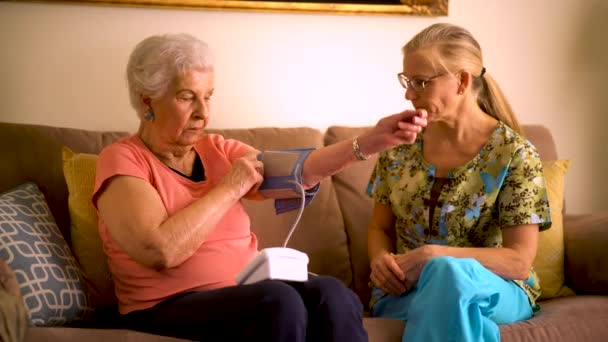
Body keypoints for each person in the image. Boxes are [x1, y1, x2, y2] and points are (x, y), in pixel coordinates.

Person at [92, 33, 427, 342]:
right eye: (186, 97)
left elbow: (298, 171)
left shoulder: (218, 149)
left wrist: (367, 143)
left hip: (243, 291)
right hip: (161, 307)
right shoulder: (122, 159)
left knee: (333, 293)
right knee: (277, 300)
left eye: (208, 97)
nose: (203, 113)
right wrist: (229, 188)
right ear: (147, 101)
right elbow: (160, 251)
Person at [366, 23, 552, 342]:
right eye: (407, 81)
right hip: (404, 292)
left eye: (420, 82)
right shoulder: (399, 147)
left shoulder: (515, 155)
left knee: (447, 274)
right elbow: (379, 229)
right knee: (451, 298)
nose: (409, 94)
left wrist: (435, 256)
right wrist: (380, 259)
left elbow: (519, 261)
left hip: (497, 290)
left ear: (462, 81)